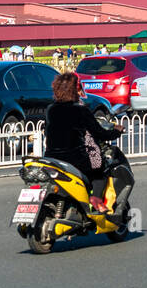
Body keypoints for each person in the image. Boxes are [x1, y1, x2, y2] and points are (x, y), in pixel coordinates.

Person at [44, 71, 124, 213]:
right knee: (101, 170)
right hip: (75, 159)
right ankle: (95, 200)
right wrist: (117, 131)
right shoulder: (80, 110)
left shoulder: (50, 109)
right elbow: (100, 133)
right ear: (75, 89)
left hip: (51, 158)